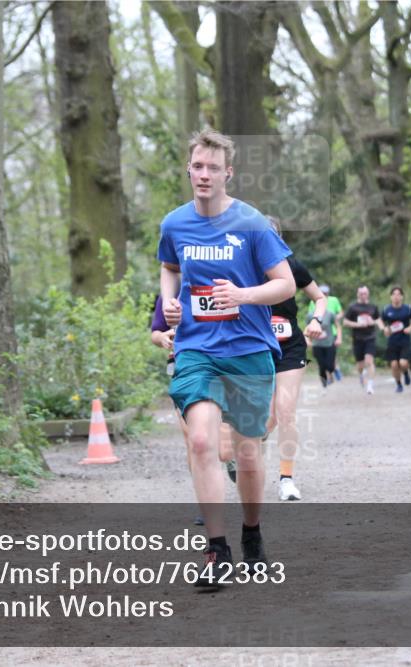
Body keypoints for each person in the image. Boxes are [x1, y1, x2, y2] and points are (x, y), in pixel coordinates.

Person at [158, 128, 295, 588]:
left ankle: (251, 532)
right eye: (197, 165)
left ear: (227, 173)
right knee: (200, 442)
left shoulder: (252, 223)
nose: (203, 174)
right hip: (197, 349)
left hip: (249, 350)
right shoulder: (174, 223)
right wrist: (169, 303)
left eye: (213, 167)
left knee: (248, 454)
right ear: (189, 169)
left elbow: (286, 284)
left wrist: (242, 294)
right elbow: (169, 267)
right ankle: (217, 550)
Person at [150, 297, 236, 529]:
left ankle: (231, 460)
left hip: (224, 366)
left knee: (225, 449)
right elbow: (155, 332)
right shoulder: (170, 295)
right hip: (184, 370)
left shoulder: (223, 284)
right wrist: (163, 338)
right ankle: (205, 502)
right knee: (193, 439)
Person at [263, 218, 326, 501]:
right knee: (264, 418)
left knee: (286, 412)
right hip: (254, 348)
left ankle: (286, 479)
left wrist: (316, 320)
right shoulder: (244, 268)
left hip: (289, 348)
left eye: (271, 236)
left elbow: (319, 298)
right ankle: (243, 446)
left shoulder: (292, 266)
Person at [379, 286, 411, 393]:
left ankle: (405, 373)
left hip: (404, 340)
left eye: (398, 294)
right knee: (394, 365)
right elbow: (380, 320)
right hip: (392, 341)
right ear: (391, 297)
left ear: (402, 297)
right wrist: (384, 329)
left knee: (403, 363)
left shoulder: (407, 309)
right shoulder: (386, 310)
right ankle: (399, 384)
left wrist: (410, 328)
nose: (396, 297)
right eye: (394, 294)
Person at [343, 285, 380, 394]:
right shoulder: (353, 307)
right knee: (360, 365)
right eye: (361, 293)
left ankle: (370, 386)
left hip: (370, 337)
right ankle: (361, 374)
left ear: (368, 294)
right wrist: (358, 324)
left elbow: (378, 320)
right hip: (358, 338)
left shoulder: (373, 306)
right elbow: (345, 322)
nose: (363, 295)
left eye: (365, 293)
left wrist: (372, 322)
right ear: (358, 294)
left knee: (369, 360)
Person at [309, 284, 343, 381]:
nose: (324, 295)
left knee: (332, 355)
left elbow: (340, 313)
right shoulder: (314, 301)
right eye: (322, 293)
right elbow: (311, 316)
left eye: (326, 293)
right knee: (323, 358)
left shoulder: (334, 300)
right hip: (319, 331)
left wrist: (333, 317)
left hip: (332, 330)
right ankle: (329, 374)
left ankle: (334, 369)